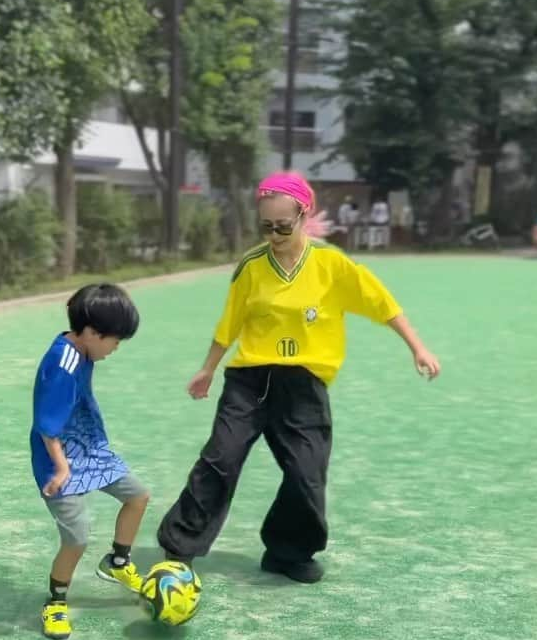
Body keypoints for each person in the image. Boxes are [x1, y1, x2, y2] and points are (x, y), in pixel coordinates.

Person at [157, 171, 440, 584]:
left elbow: (382, 303)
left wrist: (418, 346)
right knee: (220, 458)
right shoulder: (252, 266)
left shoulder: (332, 263)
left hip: (304, 386)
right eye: (266, 225)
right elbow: (230, 321)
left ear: (304, 215)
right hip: (250, 382)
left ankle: (287, 552)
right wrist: (208, 368)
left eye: (282, 225)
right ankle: (177, 550)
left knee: (306, 473)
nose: (273, 234)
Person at [31, 284, 149, 640]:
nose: (115, 349)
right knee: (77, 538)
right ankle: (55, 602)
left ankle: (117, 562)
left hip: (90, 448)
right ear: (92, 332)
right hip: (59, 460)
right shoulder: (63, 363)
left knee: (138, 496)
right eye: (114, 341)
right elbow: (45, 425)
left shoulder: (82, 348)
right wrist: (62, 468)